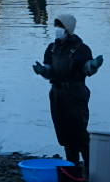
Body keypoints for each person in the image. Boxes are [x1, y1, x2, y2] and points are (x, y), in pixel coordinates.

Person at [32, 14, 103, 170]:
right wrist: (43, 71)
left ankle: (91, 170)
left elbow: (86, 68)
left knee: (79, 133)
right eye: (56, 26)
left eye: (61, 27)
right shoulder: (52, 48)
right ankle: (72, 169)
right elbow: (50, 71)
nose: (58, 30)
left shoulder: (81, 49)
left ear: (68, 29)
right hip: (57, 94)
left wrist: (94, 65)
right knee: (64, 134)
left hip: (76, 93)